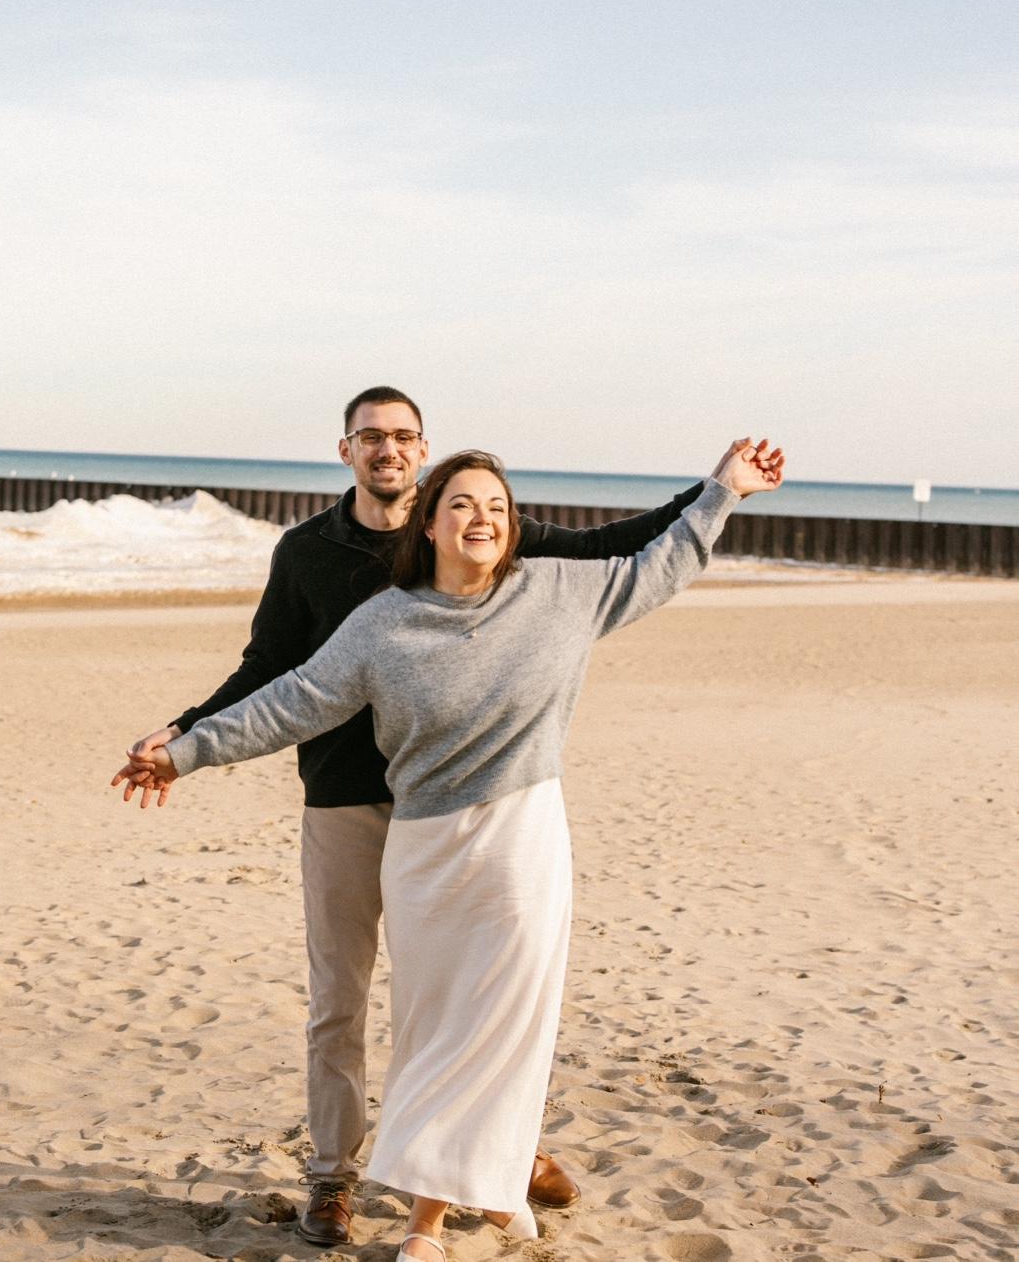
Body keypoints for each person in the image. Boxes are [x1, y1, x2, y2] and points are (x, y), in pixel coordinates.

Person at [113, 386, 782, 1246]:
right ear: (359, 460)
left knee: (500, 1007)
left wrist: (719, 489)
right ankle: (338, 1177)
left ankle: (498, 1160)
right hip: (365, 810)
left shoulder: (546, 583)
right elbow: (282, 687)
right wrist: (188, 740)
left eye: (405, 437)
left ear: (423, 454)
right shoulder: (345, 588)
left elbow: (640, 556)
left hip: (510, 831)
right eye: (373, 437)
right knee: (367, 1005)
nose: (479, 517)